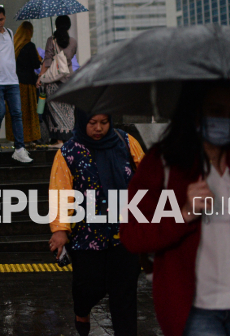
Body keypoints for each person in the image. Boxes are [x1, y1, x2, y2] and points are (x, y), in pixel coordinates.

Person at [120, 82, 230, 336]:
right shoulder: (162, 164)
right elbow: (132, 235)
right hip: (194, 311)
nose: (226, 120)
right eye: (216, 110)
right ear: (194, 111)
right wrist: (183, 213)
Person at [48, 109, 145, 336]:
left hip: (125, 232)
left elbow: (146, 178)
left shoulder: (127, 142)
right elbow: (60, 192)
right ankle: (82, 312)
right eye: (92, 123)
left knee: (125, 294)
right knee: (88, 287)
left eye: (104, 122)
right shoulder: (69, 152)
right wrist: (60, 230)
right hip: (87, 234)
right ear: (83, 122)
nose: (99, 128)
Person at [0, 5, 30, 163]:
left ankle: (20, 149)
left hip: (12, 80)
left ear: (5, 18)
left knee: (16, 113)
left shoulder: (9, 32)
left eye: (1, 19)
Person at [38, 15, 78, 146]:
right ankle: (69, 140)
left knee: (55, 111)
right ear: (68, 26)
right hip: (68, 80)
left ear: (56, 25)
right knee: (68, 111)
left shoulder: (52, 40)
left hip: (53, 81)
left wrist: (40, 77)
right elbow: (70, 58)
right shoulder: (73, 41)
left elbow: (48, 61)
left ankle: (59, 141)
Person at [5, 22, 42, 147]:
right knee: (29, 113)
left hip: (14, 85)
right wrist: (39, 58)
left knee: (17, 113)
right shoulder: (30, 46)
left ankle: (18, 139)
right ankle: (29, 139)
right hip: (27, 85)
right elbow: (36, 65)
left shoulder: (14, 46)